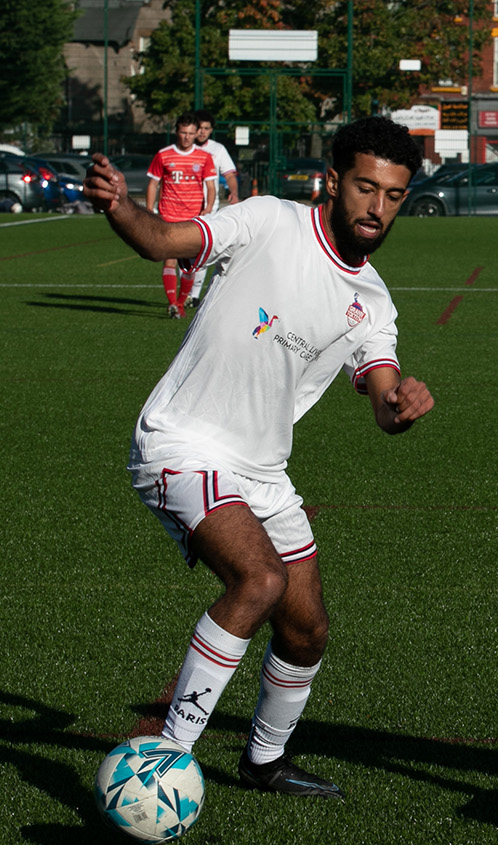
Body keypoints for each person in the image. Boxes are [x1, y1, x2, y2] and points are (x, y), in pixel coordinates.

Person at [80, 115, 433, 800]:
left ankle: (263, 760)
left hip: (263, 470)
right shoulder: (270, 221)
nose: (377, 207)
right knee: (259, 580)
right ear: (334, 180)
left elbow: (383, 394)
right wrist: (120, 205)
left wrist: (401, 406)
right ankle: (166, 760)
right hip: (181, 442)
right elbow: (163, 239)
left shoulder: (372, 301)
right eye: (366, 187)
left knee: (307, 629)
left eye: (393, 195)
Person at [144, 113, 219, 318]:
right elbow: (153, 183)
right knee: (169, 260)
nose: (187, 137)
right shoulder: (163, 155)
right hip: (168, 216)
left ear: (197, 134)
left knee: (189, 264)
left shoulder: (204, 157)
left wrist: (208, 208)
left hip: (192, 218)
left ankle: (181, 302)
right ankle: (173, 304)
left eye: (191, 133)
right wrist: (150, 210)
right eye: (183, 132)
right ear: (177, 132)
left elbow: (211, 186)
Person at [183, 109, 241, 309]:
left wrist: (233, 192)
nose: (202, 132)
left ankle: (194, 295)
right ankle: (181, 296)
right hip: (183, 207)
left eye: (206, 129)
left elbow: (230, 174)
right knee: (177, 253)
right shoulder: (181, 151)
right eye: (199, 128)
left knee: (200, 251)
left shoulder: (217, 149)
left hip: (208, 211)